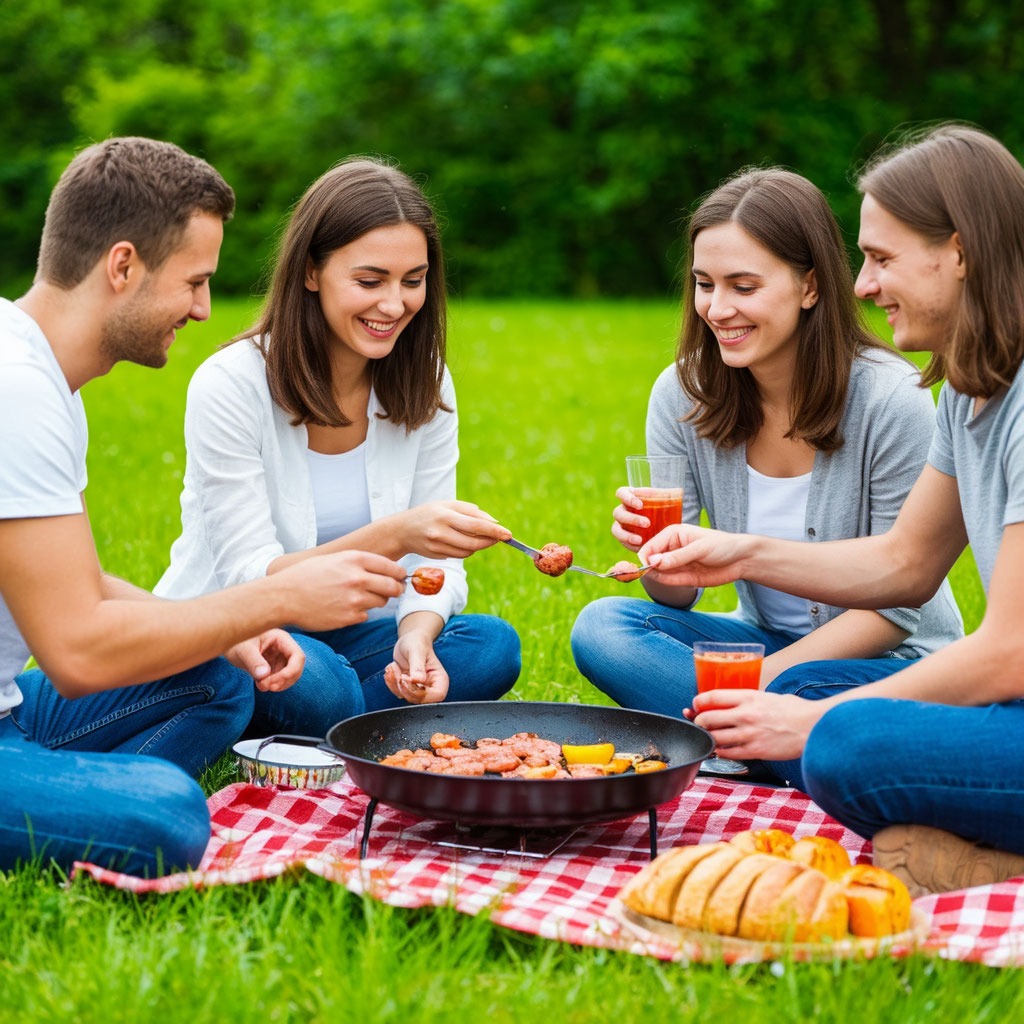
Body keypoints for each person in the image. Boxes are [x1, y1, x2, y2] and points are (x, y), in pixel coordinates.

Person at [0, 137, 411, 877]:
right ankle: (80, 795)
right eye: (194, 282)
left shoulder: (41, 377)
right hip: (27, 709)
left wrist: (231, 630)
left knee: (217, 674)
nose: (203, 309)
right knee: (168, 814)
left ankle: (52, 789)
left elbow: (83, 589)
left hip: (11, 711)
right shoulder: (18, 393)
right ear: (122, 266)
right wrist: (276, 597)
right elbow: (78, 652)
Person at [640, 124, 1024, 896]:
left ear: (960, 252)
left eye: (881, 258)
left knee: (841, 737)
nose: (864, 284)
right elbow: (905, 564)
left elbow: (1009, 649)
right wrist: (742, 554)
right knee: (823, 713)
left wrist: (811, 721)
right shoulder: (968, 394)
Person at [570, 167, 963, 775]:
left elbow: (895, 612)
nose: (717, 308)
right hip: (761, 646)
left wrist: (760, 681)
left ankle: (737, 736)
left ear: (809, 286)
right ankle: (763, 742)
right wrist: (658, 554)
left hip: (889, 658)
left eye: (743, 286)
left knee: (802, 694)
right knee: (603, 627)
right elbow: (679, 593)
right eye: (704, 284)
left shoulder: (892, 400)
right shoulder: (684, 393)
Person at [155, 156, 521, 737]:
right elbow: (254, 580)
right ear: (310, 271)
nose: (394, 305)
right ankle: (361, 721)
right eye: (370, 281)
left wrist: (415, 638)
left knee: (492, 646)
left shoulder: (426, 379)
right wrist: (398, 533)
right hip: (246, 633)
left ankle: (340, 724)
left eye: (413, 280)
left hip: (361, 638)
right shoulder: (231, 384)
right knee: (319, 683)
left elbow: (435, 559)